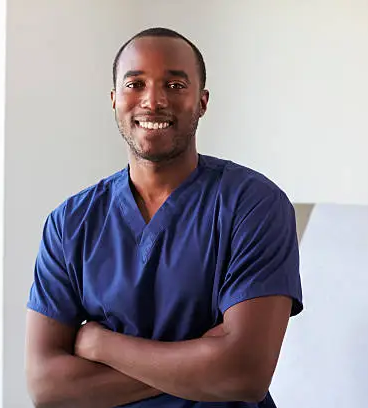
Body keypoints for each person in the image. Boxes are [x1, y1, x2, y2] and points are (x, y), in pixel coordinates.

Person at [25, 27, 303, 408]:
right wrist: (202, 358)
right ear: (113, 99)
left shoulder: (254, 206)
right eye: (135, 84)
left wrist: (102, 344)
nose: (152, 101)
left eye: (174, 85)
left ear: (202, 102)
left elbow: (242, 375)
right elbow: (46, 387)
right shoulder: (71, 223)